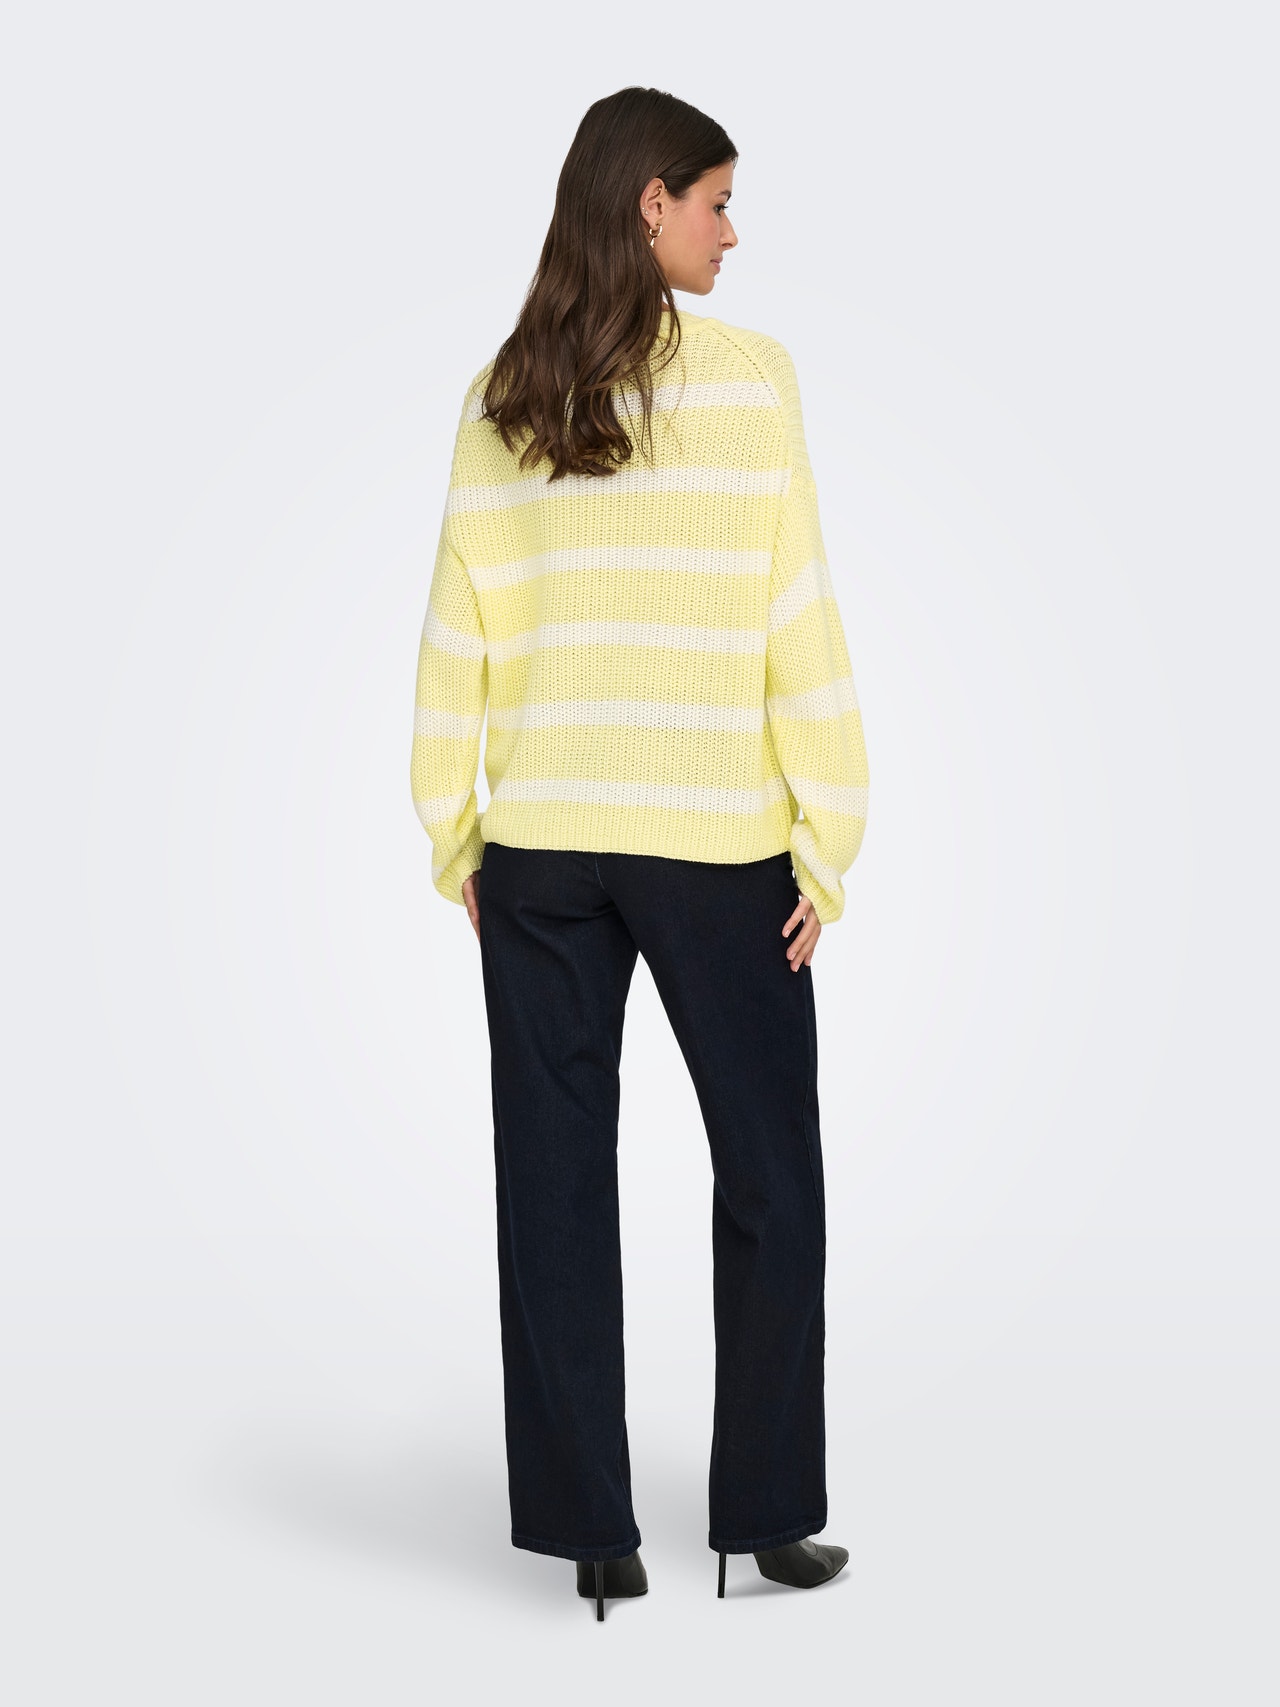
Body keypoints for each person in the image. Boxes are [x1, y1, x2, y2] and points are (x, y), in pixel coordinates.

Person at [409, 85, 870, 1621]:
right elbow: (796, 615)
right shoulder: (750, 383)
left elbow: (457, 632)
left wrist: (456, 830)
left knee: (552, 1180)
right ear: (647, 203)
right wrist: (828, 833)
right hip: (711, 846)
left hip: (540, 848)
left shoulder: (503, 392)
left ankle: (591, 1536)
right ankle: (764, 1520)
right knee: (772, 1174)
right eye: (717, 202)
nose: (734, 233)